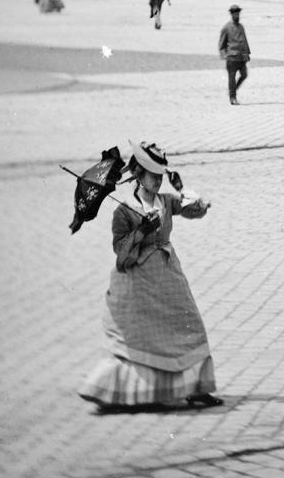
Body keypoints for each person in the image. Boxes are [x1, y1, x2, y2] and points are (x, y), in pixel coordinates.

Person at [78, 140, 222, 411]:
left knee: (189, 327)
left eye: (160, 176)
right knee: (140, 339)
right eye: (152, 176)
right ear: (138, 176)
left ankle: (196, 388)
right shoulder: (124, 211)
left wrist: (180, 188)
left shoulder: (166, 201)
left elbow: (197, 208)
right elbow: (121, 254)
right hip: (137, 284)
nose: (157, 181)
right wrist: (142, 231)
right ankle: (125, 394)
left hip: (168, 277)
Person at [218, 4, 251, 105]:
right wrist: (224, 55)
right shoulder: (226, 28)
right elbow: (221, 44)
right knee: (231, 78)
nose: (237, 15)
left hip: (241, 57)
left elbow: (244, 40)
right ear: (231, 14)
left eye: (238, 13)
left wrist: (247, 53)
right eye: (235, 14)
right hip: (232, 57)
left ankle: (233, 90)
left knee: (244, 75)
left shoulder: (241, 27)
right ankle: (233, 98)